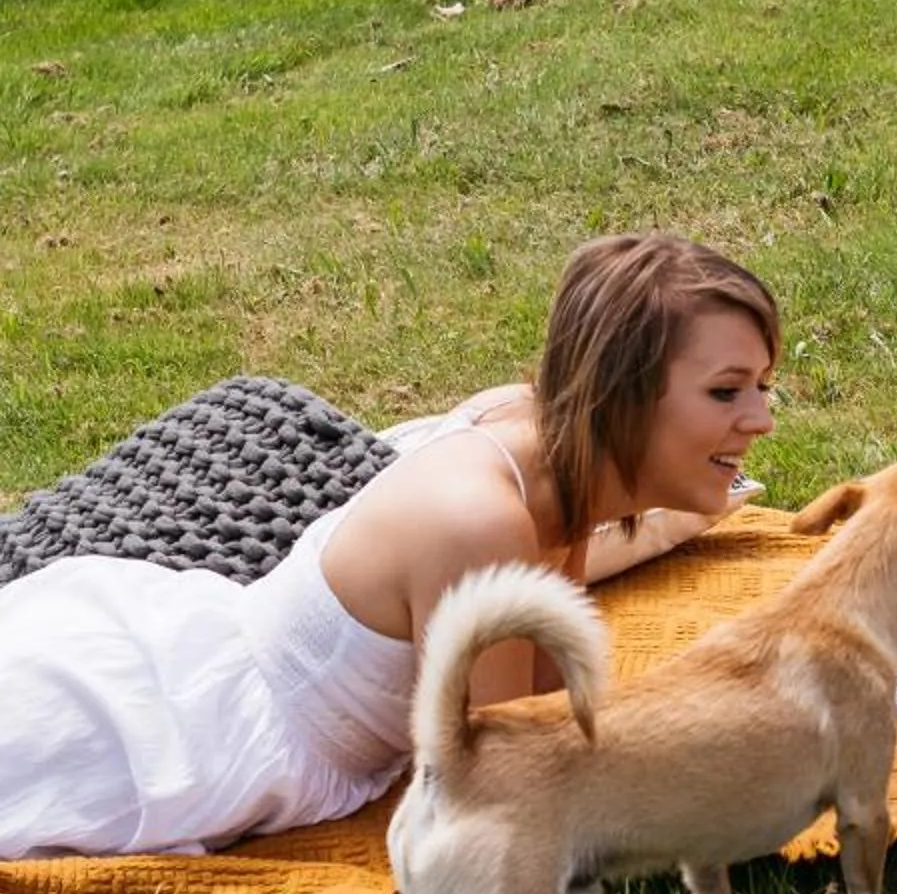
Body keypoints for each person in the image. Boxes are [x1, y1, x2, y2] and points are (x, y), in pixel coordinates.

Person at [0, 232, 780, 859]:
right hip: (203, 733)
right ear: (622, 394)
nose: (761, 419)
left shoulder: (558, 452)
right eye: (725, 391)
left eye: (762, 386)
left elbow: (549, 708)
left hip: (215, 654)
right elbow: (503, 794)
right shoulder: (484, 525)